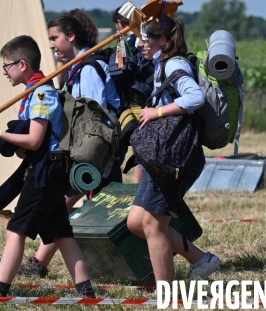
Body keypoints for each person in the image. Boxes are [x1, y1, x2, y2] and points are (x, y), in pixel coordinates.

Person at [0, 35, 95, 298]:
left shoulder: (40, 92)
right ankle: (87, 293)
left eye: (6, 66)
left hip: (47, 172)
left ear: (22, 64)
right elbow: (30, 146)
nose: (5, 72)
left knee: (15, 230)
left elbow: (34, 139)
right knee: (62, 236)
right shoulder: (33, 91)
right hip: (46, 167)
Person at [17, 15, 121, 278]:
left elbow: (94, 117)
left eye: (54, 38)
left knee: (66, 204)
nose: (51, 44)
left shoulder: (87, 68)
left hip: (91, 153)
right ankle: (40, 262)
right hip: (81, 151)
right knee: (62, 206)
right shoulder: (76, 66)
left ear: (71, 36)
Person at [126, 15, 221, 283]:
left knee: (153, 225)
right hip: (161, 156)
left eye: (145, 40)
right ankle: (202, 261)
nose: (139, 45)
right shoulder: (162, 64)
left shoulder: (173, 65)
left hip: (174, 158)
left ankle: (165, 294)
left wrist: (156, 112)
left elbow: (195, 97)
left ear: (163, 41)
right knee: (136, 222)